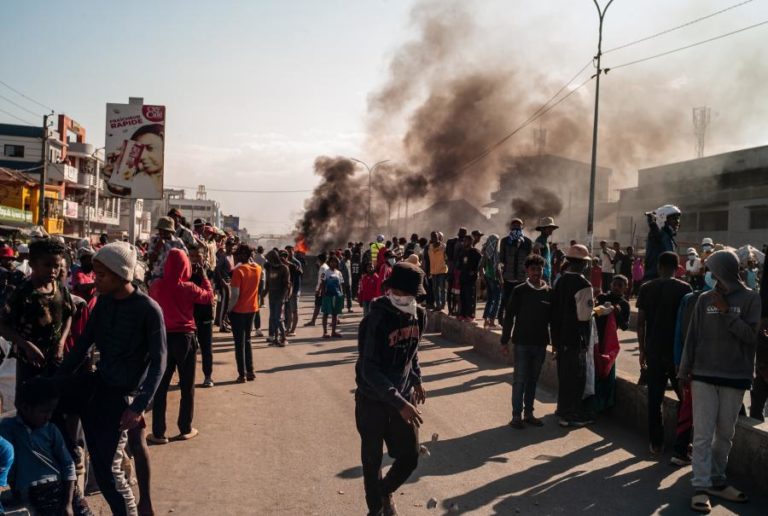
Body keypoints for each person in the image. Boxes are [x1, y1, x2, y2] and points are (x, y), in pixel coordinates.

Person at [56, 242, 166, 515]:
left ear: (121, 274)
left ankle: (137, 506)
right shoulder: (103, 304)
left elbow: (159, 363)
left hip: (127, 398)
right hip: (101, 393)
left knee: (111, 469)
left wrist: (138, 406)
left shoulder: (148, 309)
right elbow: (82, 346)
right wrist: (55, 380)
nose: (96, 280)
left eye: (102, 275)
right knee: (103, 468)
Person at [678, 250, 760, 513]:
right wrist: (684, 369)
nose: (711, 276)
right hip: (703, 375)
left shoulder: (751, 298)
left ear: (726, 270)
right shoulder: (704, 299)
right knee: (702, 434)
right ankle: (701, 486)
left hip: (735, 376)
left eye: (714, 271)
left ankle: (717, 479)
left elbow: (751, 337)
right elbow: (693, 336)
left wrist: (727, 312)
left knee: (725, 434)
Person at [354, 262, 427, 516]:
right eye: (398, 292)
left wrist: (416, 378)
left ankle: (385, 491)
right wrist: (400, 403)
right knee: (372, 460)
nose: (402, 297)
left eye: (408, 294)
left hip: (402, 397)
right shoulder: (375, 320)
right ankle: (375, 509)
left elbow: (412, 351)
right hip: (372, 400)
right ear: (390, 290)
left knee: (410, 456)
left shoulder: (419, 315)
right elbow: (369, 369)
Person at [148, 249, 213, 444]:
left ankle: (158, 433)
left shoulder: (157, 285)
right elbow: (209, 297)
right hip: (185, 339)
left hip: (163, 338)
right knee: (187, 386)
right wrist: (204, 277)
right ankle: (185, 428)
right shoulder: (189, 287)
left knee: (160, 386)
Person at [0, 239, 74, 392]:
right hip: (29, 362)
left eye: (57, 266)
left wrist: (61, 343)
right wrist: (27, 346)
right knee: (30, 399)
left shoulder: (59, 288)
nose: (53, 271)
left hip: (55, 359)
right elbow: (3, 326)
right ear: (32, 264)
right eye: (47, 265)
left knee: (52, 399)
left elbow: (69, 315)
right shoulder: (22, 291)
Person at [637, 251, 692, 456]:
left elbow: (641, 323)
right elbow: (688, 325)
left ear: (659, 266)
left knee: (655, 397)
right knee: (684, 398)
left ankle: (656, 442)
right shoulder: (685, 289)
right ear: (677, 268)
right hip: (677, 354)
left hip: (653, 350)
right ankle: (682, 441)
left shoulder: (646, 288)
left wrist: (642, 350)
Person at [0, 377, 77, 515]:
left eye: (51, 411)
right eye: (44, 411)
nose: (49, 416)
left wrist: (68, 503)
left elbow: (68, 464)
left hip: (56, 488)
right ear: (25, 408)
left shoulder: (51, 430)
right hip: (29, 492)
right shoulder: (8, 428)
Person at [500, 254, 550, 429]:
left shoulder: (549, 292)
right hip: (521, 343)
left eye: (539, 269)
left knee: (533, 380)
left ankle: (529, 413)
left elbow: (554, 320)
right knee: (519, 380)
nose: (536, 272)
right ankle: (516, 416)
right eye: (533, 269)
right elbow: (509, 317)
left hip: (540, 343)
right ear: (527, 271)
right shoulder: (519, 291)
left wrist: (556, 344)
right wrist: (504, 340)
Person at [550, 244, 596, 427]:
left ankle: (562, 409)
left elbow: (554, 311)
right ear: (583, 264)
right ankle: (571, 414)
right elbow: (584, 316)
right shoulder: (583, 284)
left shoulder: (560, 281)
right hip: (576, 338)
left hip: (560, 337)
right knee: (576, 377)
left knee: (564, 376)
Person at [594, 275, 630, 414]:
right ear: (610, 285)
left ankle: (606, 405)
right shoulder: (602, 297)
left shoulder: (624, 304)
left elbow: (625, 326)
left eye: (620, 286)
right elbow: (592, 314)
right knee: (595, 372)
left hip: (609, 343)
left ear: (625, 288)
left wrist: (617, 313)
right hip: (596, 340)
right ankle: (594, 403)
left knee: (607, 373)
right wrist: (601, 309)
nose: (616, 287)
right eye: (614, 284)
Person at [228, 245, 261, 383]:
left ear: (241, 255)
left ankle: (241, 375)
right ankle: (250, 371)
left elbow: (235, 295)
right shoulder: (258, 268)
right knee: (247, 340)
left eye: (236, 255)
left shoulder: (239, 271)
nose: (235, 258)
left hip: (239, 311)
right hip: (252, 309)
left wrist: (228, 310)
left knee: (239, 344)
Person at [497, 218, 532, 326]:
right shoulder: (505, 241)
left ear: (522, 227)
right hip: (508, 278)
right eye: (514, 225)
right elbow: (501, 260)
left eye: (518, 225)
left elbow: (529, 261)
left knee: (521, 304)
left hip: (522, 279)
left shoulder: (527, 242)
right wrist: (500, 276)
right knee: (506, 302)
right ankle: (505, 322)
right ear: (510, 227)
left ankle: (519, 324)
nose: (516, 227)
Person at [189, 247, 215, 388]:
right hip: (189, 315)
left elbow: (211, 294)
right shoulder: (186, 272)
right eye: (191, 256)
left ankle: (208, 376)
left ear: (203, 257)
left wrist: (203, 275)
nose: (194, 259)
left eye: (197, 256)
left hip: (205, 315)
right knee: (190, 349)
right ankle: (186, 378)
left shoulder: (209, 271)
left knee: (206, 348)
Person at [643, 204, 681, 281]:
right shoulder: (659, 234)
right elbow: (654, 232)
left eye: (678, 219)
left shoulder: (667, 236)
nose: (677, 222)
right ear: (663, 219)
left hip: (662, 279)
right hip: (655, 279)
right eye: (674, 219)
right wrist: (653, 224)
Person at [147, 216, 187, 281]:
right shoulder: (154, 239)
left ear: (171, 231)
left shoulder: (178, 242)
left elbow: (185, 258)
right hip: (157, 276)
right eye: (160, 230)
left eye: (165, 231)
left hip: (174, 277)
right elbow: (150, 259)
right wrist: (158, 247)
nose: (162, 232)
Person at [265, 249, 291, 346]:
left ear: (274, 258)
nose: (268, 261)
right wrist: (264, 294)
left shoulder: (284, 268)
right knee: (273, 318)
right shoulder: (270, 268)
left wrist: (284, 297)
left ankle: (284, 338)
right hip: (272, 296)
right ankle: (276, 338)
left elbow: (287, 285)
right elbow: (268, 283)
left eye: (269, 259)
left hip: (280, 297)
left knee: (278, 318)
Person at [458, 233, 482, 321]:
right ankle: (462, 314)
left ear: (471, 241)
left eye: (466, 241)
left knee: (470, 297)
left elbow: (481, 264)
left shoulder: (476, 252)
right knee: (463, 297)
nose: (464, 242)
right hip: (463, 277)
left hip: (471, 279)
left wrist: (475, 271)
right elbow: (459, 265)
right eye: (464, 241)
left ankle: (470, 315)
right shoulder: (462, 252)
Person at [480, 234, 502, 329]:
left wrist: (483, 278)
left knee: (489, 300)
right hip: (494, 279)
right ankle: (492, 322)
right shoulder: (495, 253)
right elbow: (497, 269)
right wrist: (501, 280)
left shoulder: (486, 253)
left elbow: (481, 267)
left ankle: (486, 321)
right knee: (497, 300)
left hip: (488, 278)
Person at [321, 256, 345, 339]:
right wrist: (323, 293)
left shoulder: (339, 273)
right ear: (329, 262)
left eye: (335, 262)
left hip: (337, 296)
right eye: (332, 262)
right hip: (327, 295)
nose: (333, 263)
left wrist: (342, 294)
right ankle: (325, 332)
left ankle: (333, 332)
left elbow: (341, 285)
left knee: (335, 314)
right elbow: (323, 283)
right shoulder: (325, 272)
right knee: (325, 314)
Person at [304, 253, 328, 327]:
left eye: (317, 260)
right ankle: (313, 321)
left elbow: (322, 280)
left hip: (321, 290)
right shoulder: (325, 266)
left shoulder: (322, 268)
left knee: (318, 306)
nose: (316, 261)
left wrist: (318, 290)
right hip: (324, 289)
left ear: (320, 260)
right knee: (321, 306)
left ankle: (313, 321)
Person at [284, 246, 303, 336]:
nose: (289, 253)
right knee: (288, 311)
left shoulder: (296, 262)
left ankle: (293, 330)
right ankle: (288, 328)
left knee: (294, 311)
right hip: (287, 290)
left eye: (290, 251)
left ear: (293, 252)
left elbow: (300, 273)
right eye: (287, 252)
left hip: (294, 290)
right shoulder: (284, 262)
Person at [427, 232, 448, 312]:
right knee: (435, 289)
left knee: (442, 288)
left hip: (442, 270)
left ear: (438, 237)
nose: (434, 238)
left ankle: (442, 305)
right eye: (432, 237)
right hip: (433, 271)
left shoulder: (443, 246)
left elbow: (446, 258)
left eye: (435, 236)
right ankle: (438, 305)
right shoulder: (430, 247)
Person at [533, 217, 558, 283]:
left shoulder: (545, 241)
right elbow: (536, 257)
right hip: (542, 276)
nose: (551, 229)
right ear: (543, 229)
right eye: (549, 228)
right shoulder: (540, 240)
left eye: (552, 228)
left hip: (547, 274)